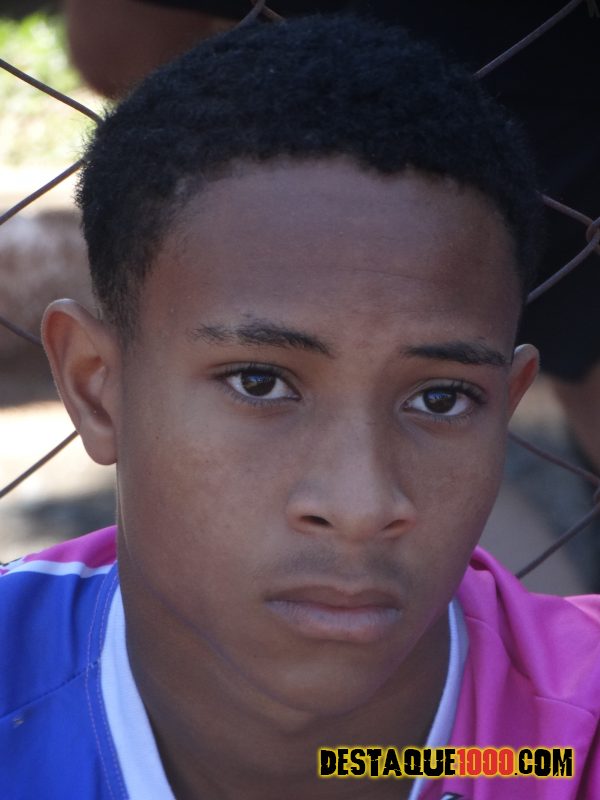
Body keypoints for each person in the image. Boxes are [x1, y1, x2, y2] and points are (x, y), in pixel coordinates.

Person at [1, 15, 598, 799]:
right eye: (259, 383)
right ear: (96, 386)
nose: (361, 505)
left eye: (442, 398)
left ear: (507, 404)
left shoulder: (561, 748)